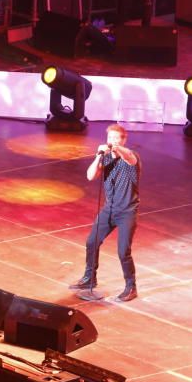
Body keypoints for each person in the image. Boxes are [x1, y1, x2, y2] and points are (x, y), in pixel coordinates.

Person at [70, 123, 141, 302]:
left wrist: (118, 149)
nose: (112, 142)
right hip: (109, 209)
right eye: (110, 139)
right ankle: (89, 278)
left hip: (127, 211)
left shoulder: (132, 158)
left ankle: (131, 287)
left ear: (124, 140)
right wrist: (98, 157)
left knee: (123, 250)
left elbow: (129, 157)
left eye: (116, 139)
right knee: (92, 242)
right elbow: (90, 175)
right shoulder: (106, 158)